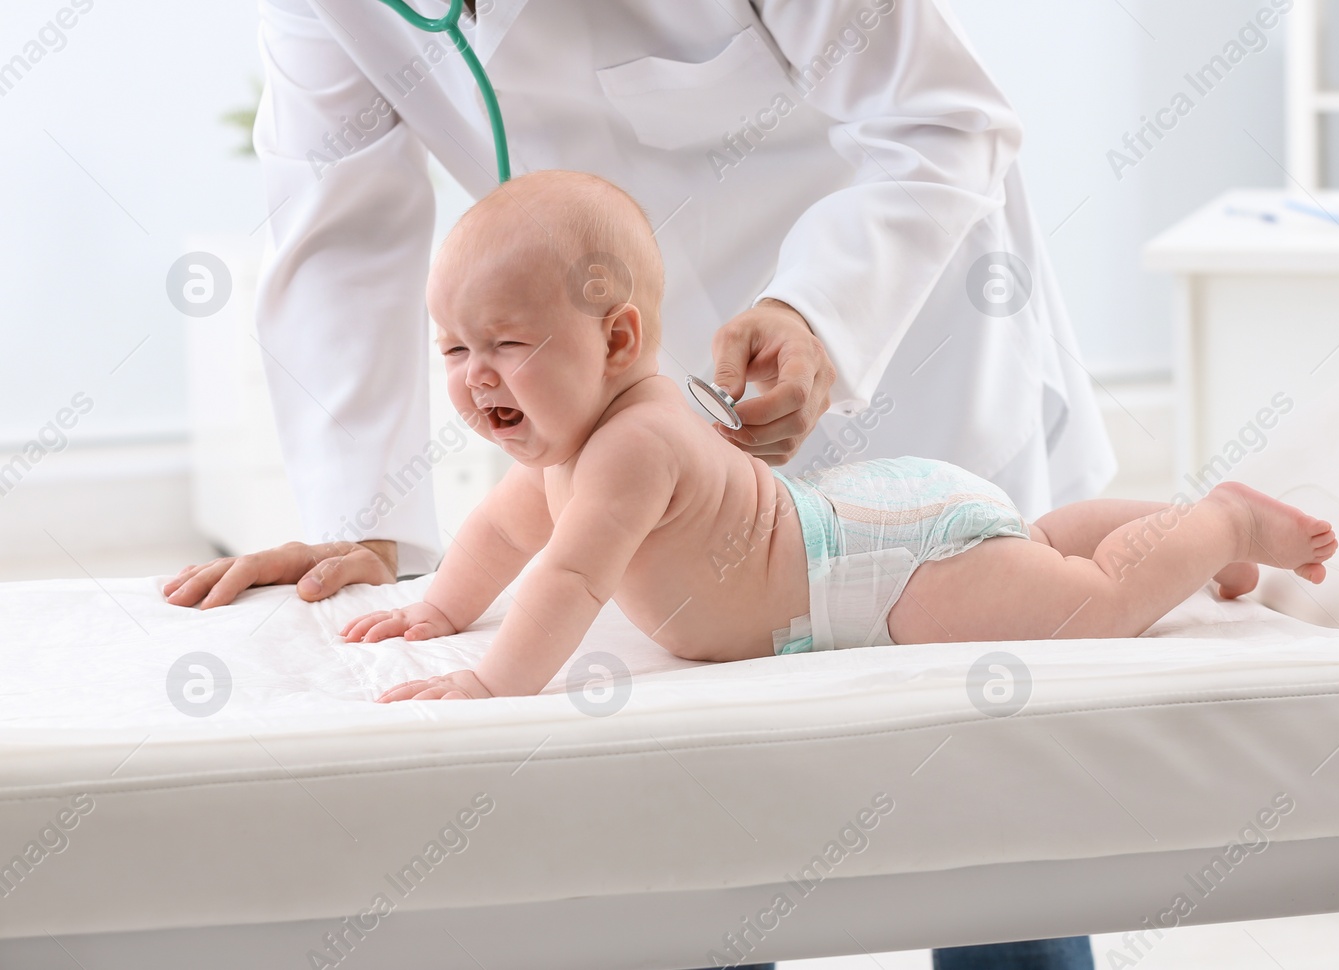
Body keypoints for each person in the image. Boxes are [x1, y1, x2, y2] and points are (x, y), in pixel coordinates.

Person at [167, 1, 1122, 965]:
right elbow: (339, 230)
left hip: (898, 331)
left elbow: (941, 117)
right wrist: (365, 525)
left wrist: (821, 314)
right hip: (622, 408)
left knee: (985, 806)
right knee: (698, 828)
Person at [342, 171, 1335, 708]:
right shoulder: (566, 452)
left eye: (506, 345)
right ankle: (1165, 526)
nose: (474, 373)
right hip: (874, 523)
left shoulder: (632, 449)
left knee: (1093, 604)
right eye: (454, 349)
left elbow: (565, 579)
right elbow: (504, 533)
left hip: (884, 573)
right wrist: (438, 608)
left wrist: (489, 679)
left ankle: (1220, 525)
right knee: (1030, 541)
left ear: (617, 340)